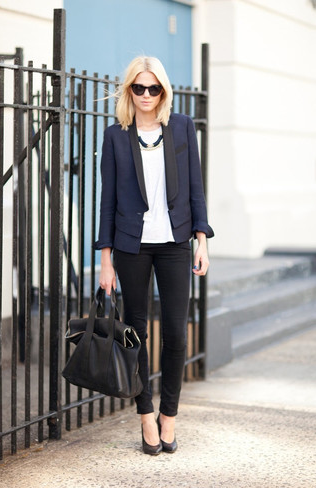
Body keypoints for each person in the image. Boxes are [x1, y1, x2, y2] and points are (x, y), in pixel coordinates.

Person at [94, 56, 214, 455]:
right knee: (136, 331)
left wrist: (202, 239)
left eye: (154, 88)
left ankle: (169, 415)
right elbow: (107, 201)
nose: (146, 95)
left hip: (176, 241)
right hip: (131, 243)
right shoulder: (115, 135)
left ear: (164, 90)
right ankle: (145, 413)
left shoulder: (180, 127)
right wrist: (105, 259)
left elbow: (196, 186)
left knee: (177, 333)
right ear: (129, 90)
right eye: (139, 88)